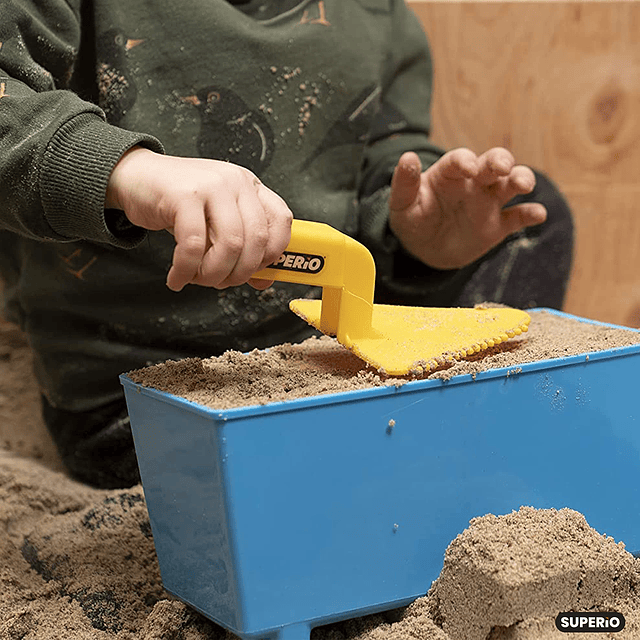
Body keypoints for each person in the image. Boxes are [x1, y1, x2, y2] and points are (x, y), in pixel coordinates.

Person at [0, 0, 573, 489]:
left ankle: (463, 432)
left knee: (530, 217)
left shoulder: (374, 16)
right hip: (134, 391)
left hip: (320, 352)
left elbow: (381, 152)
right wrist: (130, 172)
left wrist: (414, 231)